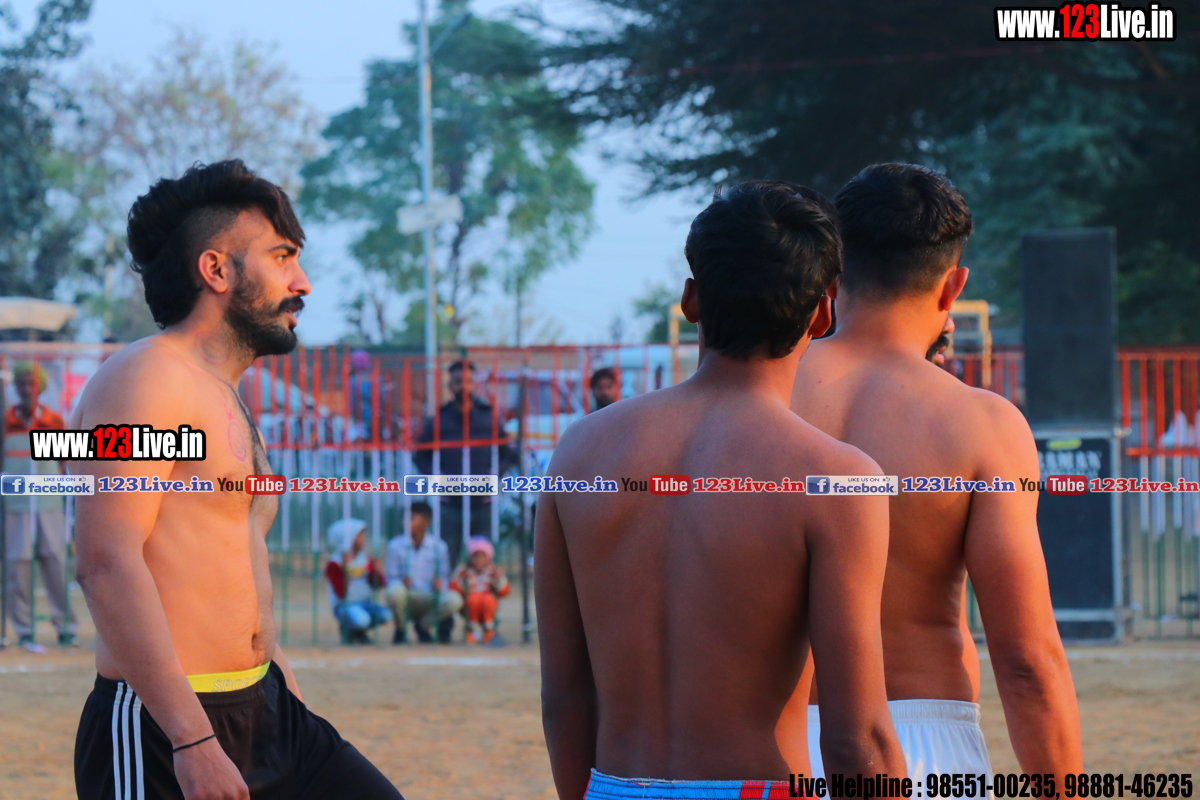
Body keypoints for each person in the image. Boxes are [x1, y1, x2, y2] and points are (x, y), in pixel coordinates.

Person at [536, 181, 905, 800]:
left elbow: (564, 697)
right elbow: (855, 738)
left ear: (691, 300)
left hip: (614, 786)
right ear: (823, 313)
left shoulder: (580, 452)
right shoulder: (834, 480)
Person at [68, 160, 402, 800]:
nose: (303, 282)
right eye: (282, 257)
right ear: (216, 270)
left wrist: (283, 691)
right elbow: (105, 561)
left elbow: (234, 564)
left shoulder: (223, 393)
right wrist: (192, 741)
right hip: (165, 727)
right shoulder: (145, 377)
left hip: (267, 707)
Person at [790, 163, 1082, 786]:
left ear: (833, 274)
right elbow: (1026, 660)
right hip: (924, 745)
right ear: (954, 285)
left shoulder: (761, 396)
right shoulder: (982, 424)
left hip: (774, 742)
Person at [3, 360, 79, 651]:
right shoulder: (5, 422)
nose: (27, 390)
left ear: (41, 388)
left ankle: (66, 628)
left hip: (50, 504)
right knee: (18, 565)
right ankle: (24, 630)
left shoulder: (53, 421)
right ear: (16, 387)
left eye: (32, 384)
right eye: (22, 384)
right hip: (15, 506)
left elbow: (66, 465)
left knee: (56, 563)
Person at [413, 360, 517, 567]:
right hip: (450, 503)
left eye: (468, 381)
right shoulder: (440, 419)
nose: (463, 386)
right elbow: (420, 455)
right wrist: (437, 477)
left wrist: (494, 474)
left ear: (474, 383)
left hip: (483, 502)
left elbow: (507, 453)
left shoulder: (489, 417)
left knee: (484, 564)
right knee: (446, 562)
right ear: (450, 386)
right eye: (458, 381)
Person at [385, 501, 462, 644]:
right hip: (407, 596)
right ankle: (401, 629)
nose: (406, 522)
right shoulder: (395, 546)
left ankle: (423, 626)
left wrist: (440, 585)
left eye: (412, 518)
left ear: (426, 522)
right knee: (395, 591)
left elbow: (445, 577)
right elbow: (390, 579)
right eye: (406, 518)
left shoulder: (439, 547)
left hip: (429, 597)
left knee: (454, 600)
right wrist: (401, 582)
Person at [325, 519, 390, 644]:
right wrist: (344, 571)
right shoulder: (335, 563)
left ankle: (359, 633)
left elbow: (378, 585)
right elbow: (341, 593)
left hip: (365, 603)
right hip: (344, 606)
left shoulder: (365, 559)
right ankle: (348, 630)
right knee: (361, 619)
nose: (363, 538)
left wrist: (378, 573)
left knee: (385, 615)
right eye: (359, 535)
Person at [450, 537, 509, 644]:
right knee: (474, 599)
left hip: (488, 605)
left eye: (483, 557)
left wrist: (498, 580)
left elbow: (504, 591)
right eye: (475, 556)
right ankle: (473, 630)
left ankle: (488, 630)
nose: (479, 560)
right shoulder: (465, 570)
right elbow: (454, 586)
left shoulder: (493, 571)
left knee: (488, 599)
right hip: (470, 605)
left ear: (488, 557)